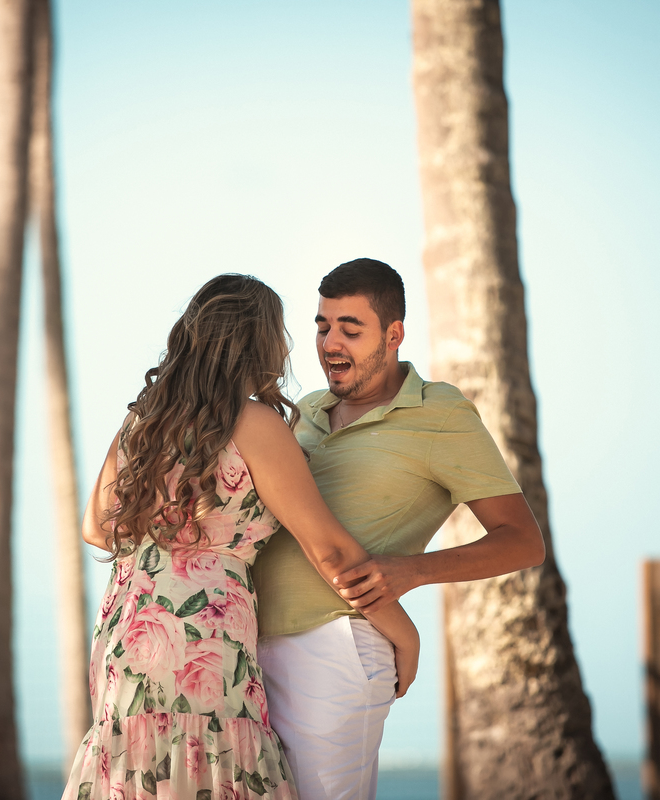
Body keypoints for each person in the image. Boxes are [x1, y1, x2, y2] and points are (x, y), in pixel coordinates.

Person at [62, 274, 420, 800]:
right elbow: (330, 550)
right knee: (218, 766)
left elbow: (97, 527)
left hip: (127, 635)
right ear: (261, 345)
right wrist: (404, 636)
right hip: (203, 638)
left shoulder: (142, 420)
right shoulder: (253, 422)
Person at [252, 258, 546, 800]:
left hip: (337, 646)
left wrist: (411, 571)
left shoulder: (441, 413)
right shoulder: (306, 410)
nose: (330, 343)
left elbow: (522, 540)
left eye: (350, 328)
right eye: (322, 326)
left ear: (394, 335)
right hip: (247, 647)